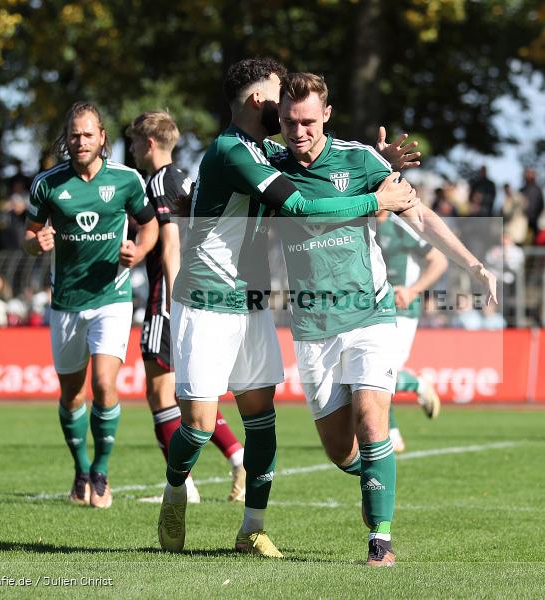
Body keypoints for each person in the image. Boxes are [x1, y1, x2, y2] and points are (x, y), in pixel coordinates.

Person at [156, 58, 419, 559]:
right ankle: (173, 491)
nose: (287, 104)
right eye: (279, 95)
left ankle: (252, 527)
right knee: (200, 425)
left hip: (252, 300)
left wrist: (371, 163)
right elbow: (298, 205)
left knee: (262, 418)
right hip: (207, 299)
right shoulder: (234, 151)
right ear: (260, 100)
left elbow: (326, 161)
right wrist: (373, 200)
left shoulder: (269, 148)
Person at [270, 72, 497, 567]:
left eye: (308, 121)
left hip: (371, 315)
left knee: (374, 421)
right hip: (312, 327)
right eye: (289, 121)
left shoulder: (361, 160)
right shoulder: (269, 165)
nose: (299, 131)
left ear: (326, 115)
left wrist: (473, 264)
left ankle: (381, 541)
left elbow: (420, 217)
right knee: (339, 451)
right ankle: (374, 473)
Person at [23, 101, 160, 509]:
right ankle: (80, 470)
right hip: (65, 302)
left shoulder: (126, 181)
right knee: (71, 396)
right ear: (66, 140)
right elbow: (28, 235)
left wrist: (140, 250)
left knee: (104, 384)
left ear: (102, 137)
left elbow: (149, 225)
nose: (80, 141)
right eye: (74, 134)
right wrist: (36, 243)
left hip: (112, 299)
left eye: (88, 134)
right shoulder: (47, 184)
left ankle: (101, 473)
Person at [127, 110, 247, 504]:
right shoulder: (184, 178)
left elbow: (172, 243)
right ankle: (237, 457)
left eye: (132, 142)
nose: (130, 150)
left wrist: (179, 303)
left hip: (168, 294)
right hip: (195, 290)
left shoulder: (160, 182)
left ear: (147, 144)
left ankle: (184, 487)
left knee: (161, 394)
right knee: (194, 393)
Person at [375, 208, 448, 453]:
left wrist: (413, 290)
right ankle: (391, 433)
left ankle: (417, 385)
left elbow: (439, 261)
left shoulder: (399, 226)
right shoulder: (360, 224)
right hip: (372, 305)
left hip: (402, 308)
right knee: (373, 371)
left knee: (383, 372)